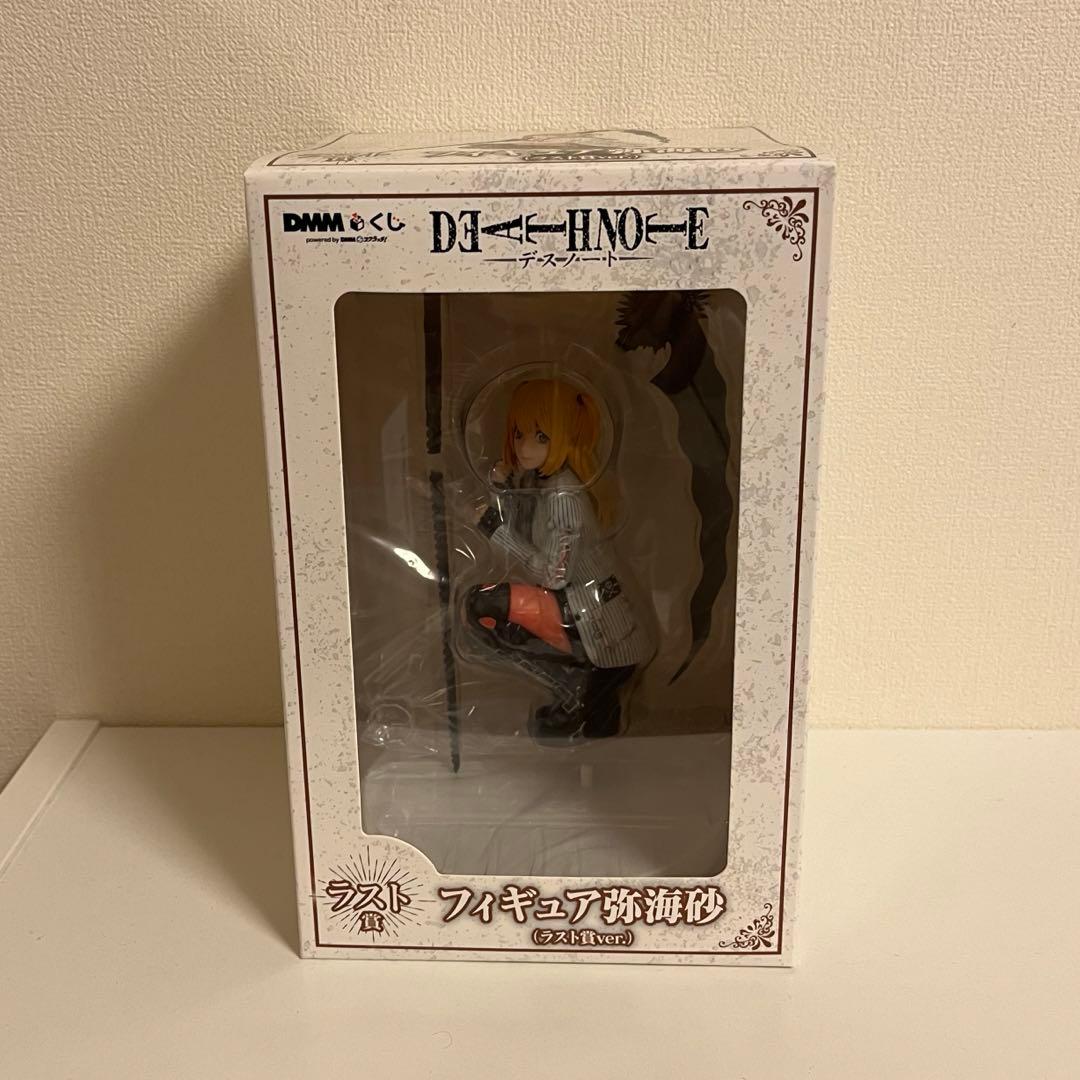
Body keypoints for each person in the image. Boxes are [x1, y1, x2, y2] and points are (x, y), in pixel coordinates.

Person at [466, 378, 651, 745]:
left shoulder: (564, 496)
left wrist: (495, 531)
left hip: (591, 623)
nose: (524, 447)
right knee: (486, 608)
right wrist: (503, 488)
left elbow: (554, 574)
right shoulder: (549, 483)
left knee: (484, 605)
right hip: (579, 612)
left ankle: (571, 687)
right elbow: (528, 528)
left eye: (541, 437)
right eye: (519, 434)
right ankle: (574, 688)